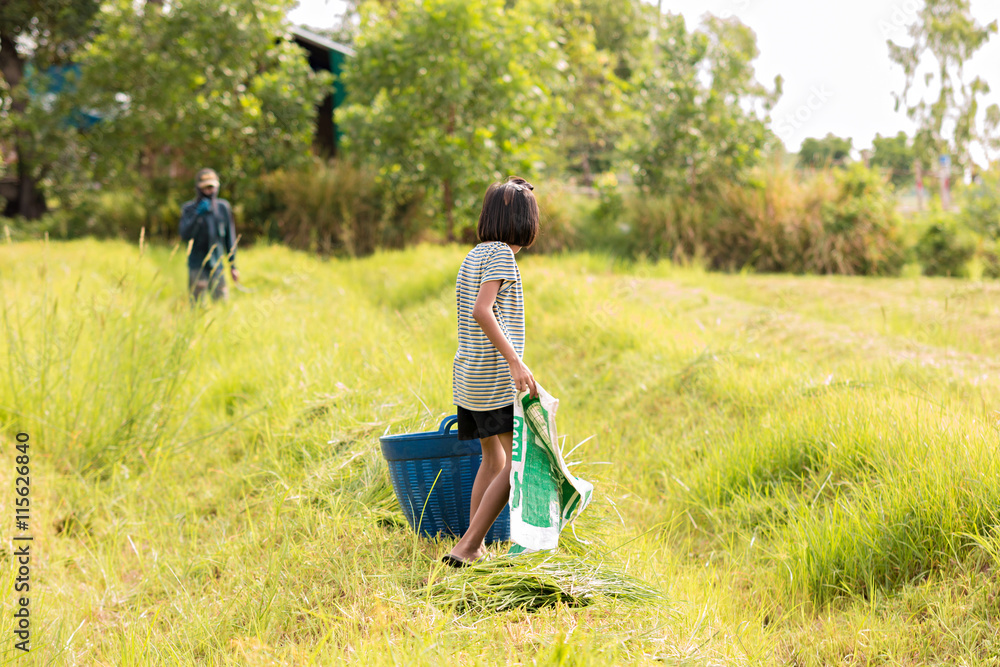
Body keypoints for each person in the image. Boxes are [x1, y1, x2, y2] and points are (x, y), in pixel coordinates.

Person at [443, 176, 540, 567]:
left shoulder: (475, 253)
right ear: (526, 222)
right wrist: (515, 362)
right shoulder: (502, 255)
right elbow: (483, 311)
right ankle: (467, 545)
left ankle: (474, 545)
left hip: (470, 378)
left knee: (493, 460)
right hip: (495, 378)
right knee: (519, 461)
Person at [179, 168, 239, 302]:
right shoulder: (189, 209)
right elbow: (184, 235)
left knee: (221, 303)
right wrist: (197, 216)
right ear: (198, 189)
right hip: (197, 266)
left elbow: (230, 238)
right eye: (205, 188)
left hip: (217, 265)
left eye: (211, 188)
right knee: (197, 306)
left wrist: (233, 265)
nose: (208, 191)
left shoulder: (223, 208)